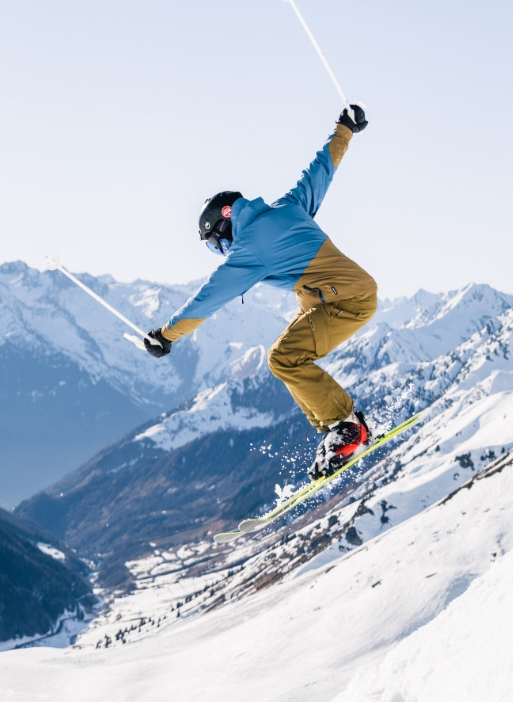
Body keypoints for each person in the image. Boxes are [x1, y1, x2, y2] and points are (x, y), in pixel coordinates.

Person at [144, 105, 377, 480]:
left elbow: (209, 298)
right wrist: (345, 129)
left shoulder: (250, 248)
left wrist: (165, 335)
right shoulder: (288, 206)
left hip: (347, 302)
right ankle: (337, 432)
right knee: (282, 357)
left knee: (284, 358)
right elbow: (320, 170)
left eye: (217, 243)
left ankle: (348, 428)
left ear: (226, 220)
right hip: (339, 296)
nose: (222, 252)